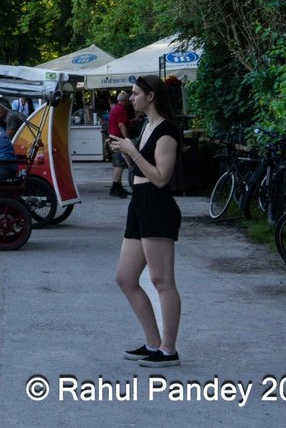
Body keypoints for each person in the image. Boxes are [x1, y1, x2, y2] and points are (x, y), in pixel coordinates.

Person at [108, 74, 183, 367]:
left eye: (136, 93)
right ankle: (153, 342)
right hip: (139, 203)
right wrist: (126, 150)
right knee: (125, 278)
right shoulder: (147, 126)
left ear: (151, 96)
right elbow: (141, 168)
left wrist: (132, 151)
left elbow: (161, 178)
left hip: (156, 205)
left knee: (162, 281)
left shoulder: (166, 131)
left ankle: (169, 350)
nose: (131, 98)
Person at [107, 90, 133, 198]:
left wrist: (134, 120)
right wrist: (127, 139)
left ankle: (118, 186)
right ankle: (115, 188)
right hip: (118, 138)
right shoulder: (122, 109)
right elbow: (122, 125)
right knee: (120, 163)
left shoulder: (115, 108)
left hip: (113, 136)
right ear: (126, 100)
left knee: (119, 163)